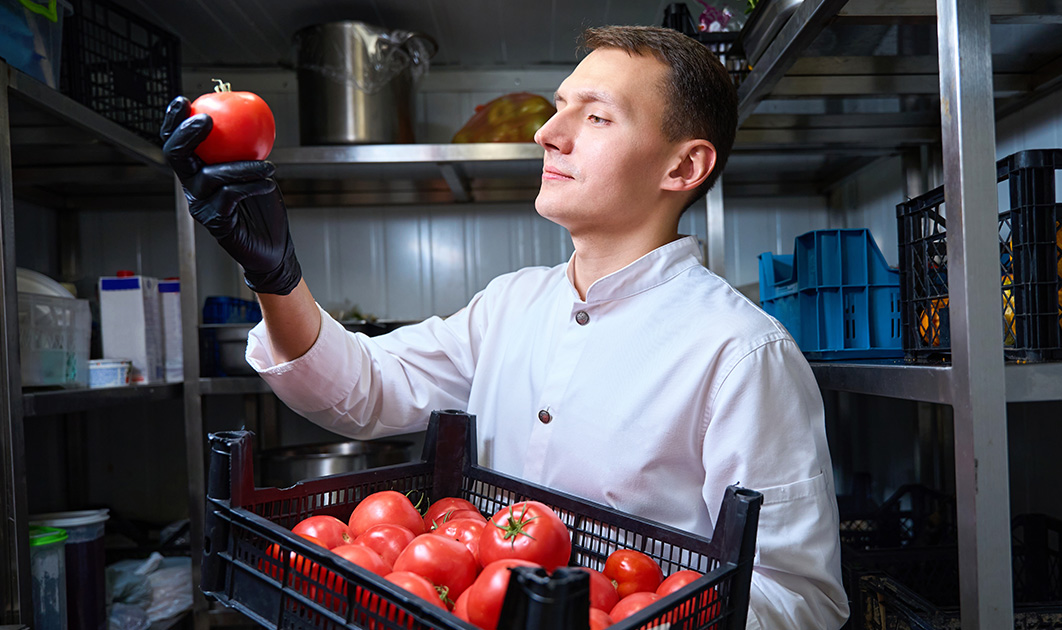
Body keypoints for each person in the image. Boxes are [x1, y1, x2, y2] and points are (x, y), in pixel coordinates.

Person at [162, 25, 849, 629]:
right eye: (558, 110)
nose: (547, 134)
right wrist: (276, 278)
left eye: (598, 117)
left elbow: (801, 596)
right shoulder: (509, 306)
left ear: (684, 165)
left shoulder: (741, 353)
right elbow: (360, 390)